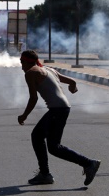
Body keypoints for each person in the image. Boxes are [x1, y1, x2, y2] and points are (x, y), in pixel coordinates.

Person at [18, 50, 100, 186]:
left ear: (27, 62)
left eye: (22, 62)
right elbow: (71, 81)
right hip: (63, 108)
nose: (21, 66)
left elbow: (33, 98)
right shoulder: (48, 69)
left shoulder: (31, 73)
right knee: (51, 145)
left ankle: (48, 173)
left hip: (58, 109)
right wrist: (73, 87)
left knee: (41, 138)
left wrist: (24, 115)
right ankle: (85, 164)